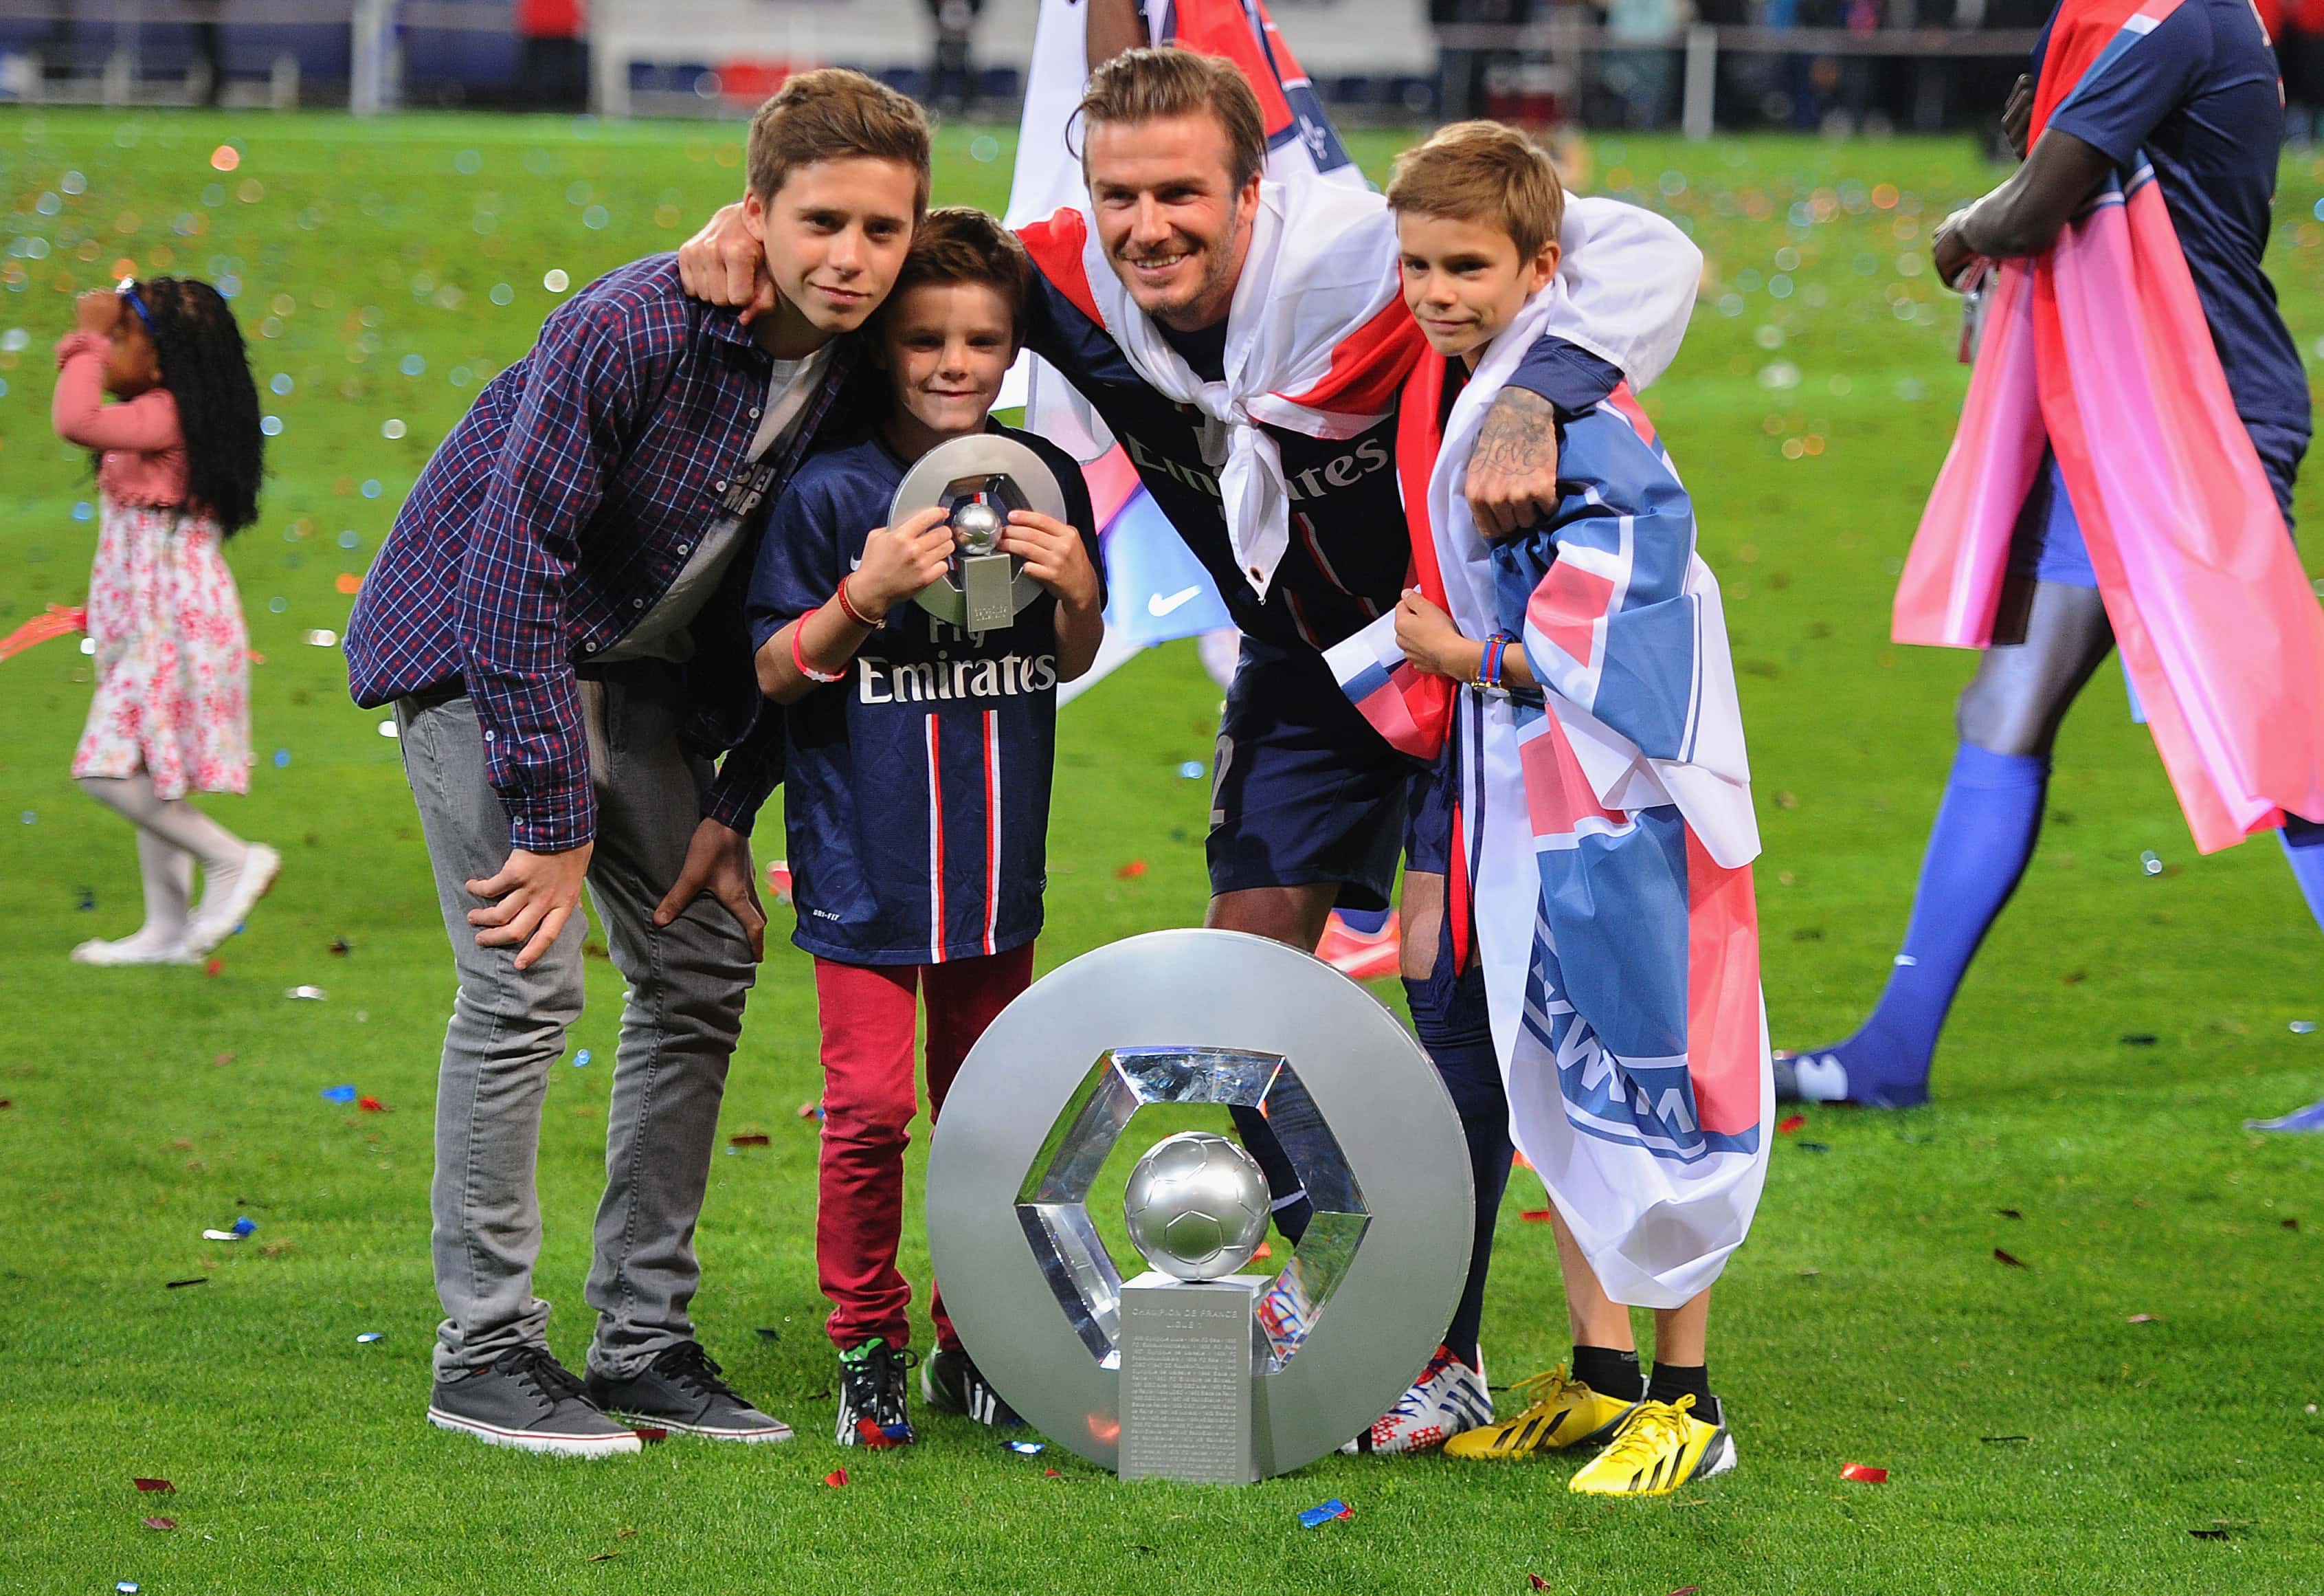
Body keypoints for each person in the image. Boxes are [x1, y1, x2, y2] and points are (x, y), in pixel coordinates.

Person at [679, 30, 1699, 1243]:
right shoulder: (1056, 275)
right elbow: (905, 265)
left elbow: (1649, 247)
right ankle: (1326, 1275)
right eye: (1119, 194)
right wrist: (733, 232)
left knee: (1448, 985)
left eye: (1180, 194)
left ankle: (1443, 1349)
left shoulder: (1361, 252)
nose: (1147, 226)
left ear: (1251, 189)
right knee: (1241, 985)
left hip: (1445, 654)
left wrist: (1536, 393)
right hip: (1295, 665)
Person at [344, 69, 930, 1457]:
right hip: (483, 659)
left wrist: (729, 807)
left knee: (703, 961)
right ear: (755, 212)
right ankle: (482, 1352)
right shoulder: (631, 325)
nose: (849, 256)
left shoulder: (863, 353)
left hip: (646, 684)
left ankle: (642, 1341)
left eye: (881, 231)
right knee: (520, 982)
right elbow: (509, 573)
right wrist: (550, 823)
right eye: (821, 222)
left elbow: (794, 603)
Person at [1778, 0, 2324, 1114]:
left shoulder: (2174, 15)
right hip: (2119, 415)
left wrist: (1961, 231)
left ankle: (1890, 1051)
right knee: (2003, 710)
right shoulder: (2140, 17)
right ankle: (1890, 1053)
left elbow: (2034, 207)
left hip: (2192, 421)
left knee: (2269, 737)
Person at [1345, 120, 1765, 1492]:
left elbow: (1626, 643)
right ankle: (1597, 1377)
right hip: (1511, 793)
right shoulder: (1483, 380)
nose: (1431, 291)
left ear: (1541, 267)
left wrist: (1455, 658)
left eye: (1463, 265)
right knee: (1553, 1077)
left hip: (1614, 803)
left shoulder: (1580, 410)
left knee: (1652, 1069)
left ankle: (1687, 1404)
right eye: (1414, 264)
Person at [748, 208, 1105, 1445]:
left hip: (993, 870)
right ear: (880, 346)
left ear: (1013, 354)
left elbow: (1069, 658)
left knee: (991, 1115)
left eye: (983, 341)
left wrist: (1075, 593)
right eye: (925, 340)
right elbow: (776, 671)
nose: (955, 363)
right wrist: (866, 593)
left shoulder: (1036, 483)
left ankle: (978, 1337)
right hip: (864, 865)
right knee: (868, 1116)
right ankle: (866, 1343)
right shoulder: (829, 488)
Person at [52, 277, 276, 968]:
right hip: (141, 615)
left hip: (172, 619)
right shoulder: (159, 409)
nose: (108, 351)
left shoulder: (169, 414)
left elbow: (75, 420)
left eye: (124, 339)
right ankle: (166, 929)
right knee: (150, 768)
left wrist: (86, 341)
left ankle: (234, 859)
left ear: (166, 357)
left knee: (105, 771)